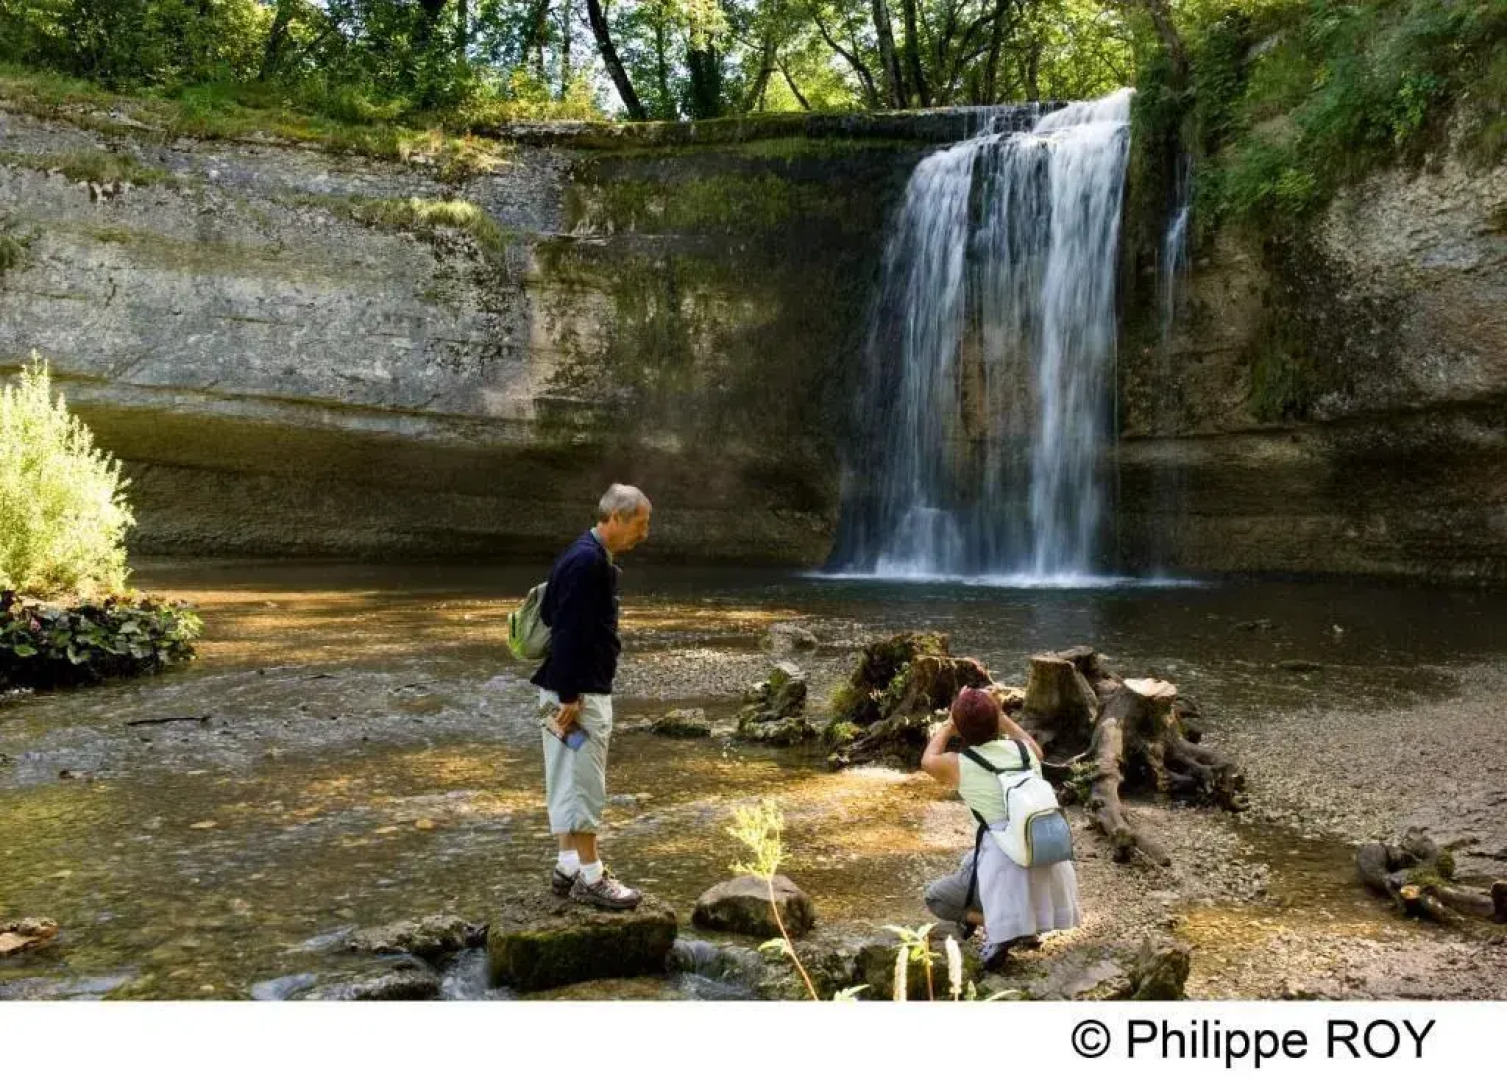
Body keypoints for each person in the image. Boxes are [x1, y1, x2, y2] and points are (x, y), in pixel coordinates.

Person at [531, 483, 652, 910]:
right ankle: (592, 876)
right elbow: (567, 630)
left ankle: (566, 864)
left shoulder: (579, 553)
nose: (644, 533)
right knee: (584, 782)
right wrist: (570, 696)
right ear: (616, 517)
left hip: (559, 690)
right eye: (640, 524)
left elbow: (553, 615)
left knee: (565, 776)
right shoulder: (588, 562)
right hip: (576, 696)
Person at [919, 686, 1080, 968]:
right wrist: (1000, 715)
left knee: (936, 897)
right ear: (995, 722)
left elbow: (927, 760)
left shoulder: (962, 764)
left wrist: (948, 725)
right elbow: (1035, 747)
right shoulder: (1025, 753)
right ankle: (1023, 924)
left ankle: (1003, 926)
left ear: (960, 730)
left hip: (1005, 861)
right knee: (968, 862)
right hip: (1042, 851)